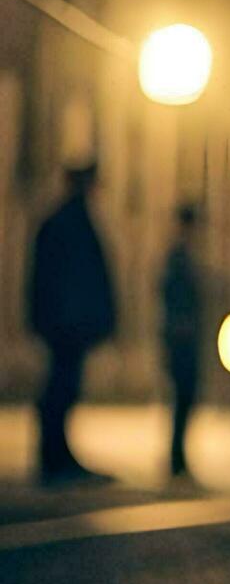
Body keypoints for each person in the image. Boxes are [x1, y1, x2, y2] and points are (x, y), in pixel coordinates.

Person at [27, 163, 117, 485]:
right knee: (60, 389)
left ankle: (57, 454)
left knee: (63, 387)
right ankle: (54, 458)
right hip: (67, 324)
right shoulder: (70, 222)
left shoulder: (62, 221)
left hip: (65, 323)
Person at [160, 204, 204, 478]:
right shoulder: (178, 256)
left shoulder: (184, 256)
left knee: (186, 397)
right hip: (181, 339)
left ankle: (179, 454)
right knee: (182, 396)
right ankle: (176, 456)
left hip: (185, 337)